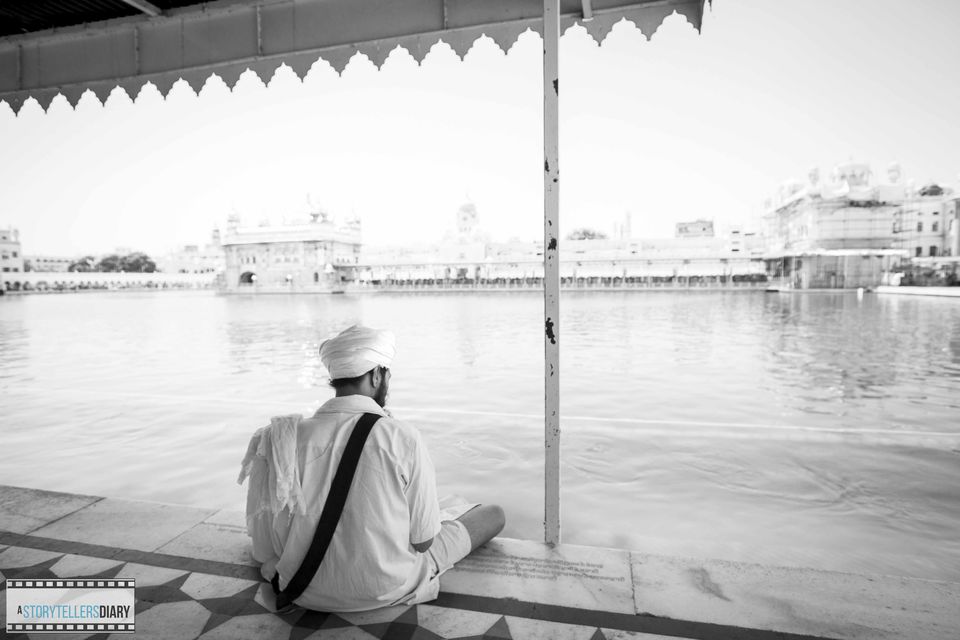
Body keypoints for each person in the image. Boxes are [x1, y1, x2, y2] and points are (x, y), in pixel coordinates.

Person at [239, 324, 505, 612]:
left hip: (302, 590)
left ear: (335, 377)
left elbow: (264, 546)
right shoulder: (401, 436)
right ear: (377, 375)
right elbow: (424, 542)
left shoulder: (283, 436)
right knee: (493, 514)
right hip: (387, 588)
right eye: (387, 374)